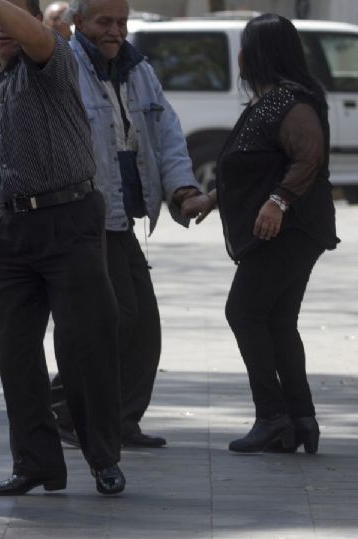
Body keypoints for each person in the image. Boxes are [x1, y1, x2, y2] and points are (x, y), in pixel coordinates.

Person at [0, 0, 125, 496]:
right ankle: (37, 464)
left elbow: (35, 38)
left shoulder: (54, 60)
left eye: (5, 15)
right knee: (16, 354)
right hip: (14, 229)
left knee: (84, 345)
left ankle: (103, 458)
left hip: (69, 219)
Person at [182, 13, 338, 455]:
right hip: (289, 228)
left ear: (248, 56)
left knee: (244, 312)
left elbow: (309, 155)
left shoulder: (290, 102)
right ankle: (300, 419)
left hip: (290, 228)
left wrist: (278, 202)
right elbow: (252, 167)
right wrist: (212, 200)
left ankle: (272, 417)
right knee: (276, 320)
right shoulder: (270, 101)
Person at [53, 0, 204, 448]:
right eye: (104, 22)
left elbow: (168, 135)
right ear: (78, 23)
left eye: (121, 22)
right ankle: (66, 410)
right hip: (85, 215)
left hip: (122, 218)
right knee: (114, 319)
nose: (115, 31)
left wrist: (183, 190)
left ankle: (120, 419)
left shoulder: (139, 70)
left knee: (141, 325)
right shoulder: (62, 67)